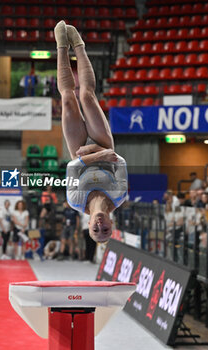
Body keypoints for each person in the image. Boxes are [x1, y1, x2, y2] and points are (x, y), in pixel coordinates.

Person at [54, 21, 128, 243]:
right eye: (105, 230)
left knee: (68, 99)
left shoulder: (76, 200)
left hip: (86, 152)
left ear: (88, 225)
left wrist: (95, 155)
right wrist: (97, 151)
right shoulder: (119, 195)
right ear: (111, 224)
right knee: (86, 96)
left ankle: (61, 47)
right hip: (101, 144)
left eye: (96, 231)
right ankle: (78, 45)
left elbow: (71, 167)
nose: (100, 226)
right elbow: (119, 161)